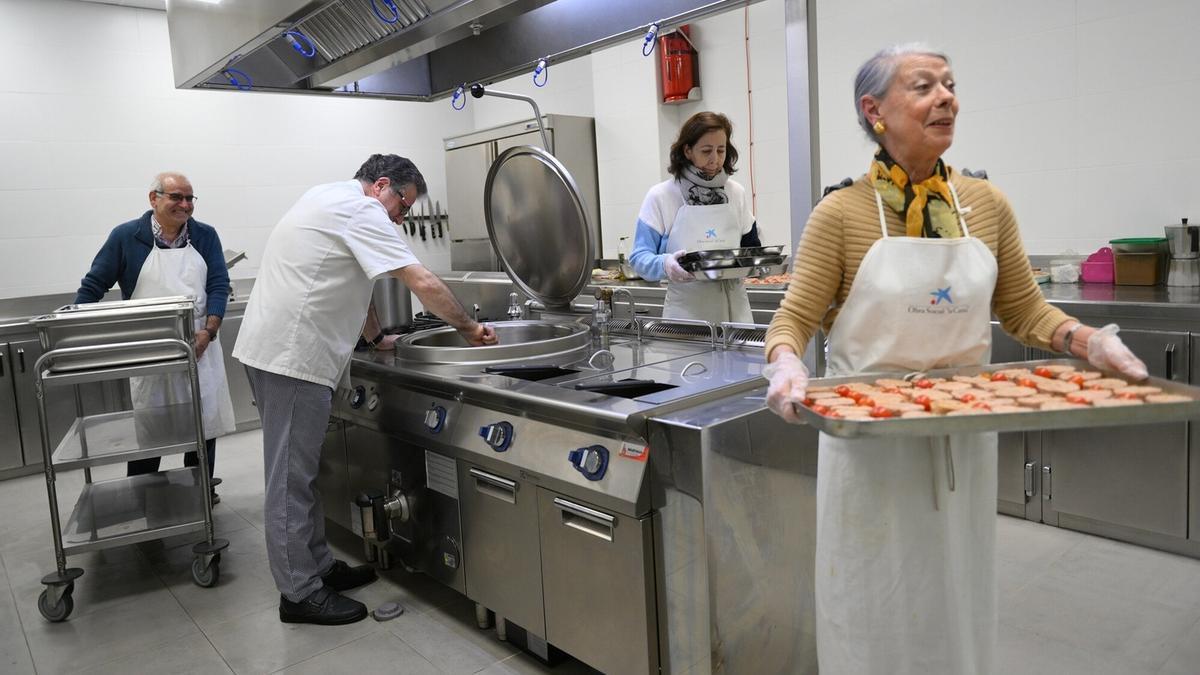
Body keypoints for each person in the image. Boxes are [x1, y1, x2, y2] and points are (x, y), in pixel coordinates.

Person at [762, 44, 1149, 675]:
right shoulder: (841, 214)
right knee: (872, 594)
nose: (946, 97)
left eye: (949, 84)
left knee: (955, 591)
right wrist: (786, 363)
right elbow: (793, 317)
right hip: (872, 443)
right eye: (922, 87)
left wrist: (1089, 341)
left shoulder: (985, 207)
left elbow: (1026, 311)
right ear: (875, 111)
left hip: (961, 434)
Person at [233, 154, 498, 626]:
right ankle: (300, 594)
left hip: (279, 351)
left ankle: (315, 567)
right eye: (404, 204)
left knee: (302, 472)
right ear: (381, 186)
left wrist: (375, 339)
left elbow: (358, 283)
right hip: (293, 360)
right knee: (290, 481)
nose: (403, 217)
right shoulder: (364, 211)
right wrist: (468, 327)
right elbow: (417, 278)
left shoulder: (326, 195)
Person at [75, 172, 235, 503]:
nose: (185, 205)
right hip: (151, 356)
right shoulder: (126, 237)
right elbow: (94, 285)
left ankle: (200, 494)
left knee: (202, 428)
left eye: (190, 198)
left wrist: (209, 331)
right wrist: (75, 324)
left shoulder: (205, 236)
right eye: (177, 197)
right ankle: (143, 498)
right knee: (150, 432)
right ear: (154, 198)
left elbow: (218, 284)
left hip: (199, 348)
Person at [629, 111, 762, 324]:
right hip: (687, 316)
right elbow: (638, 258)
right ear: (688, 150)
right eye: (706, 150)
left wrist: (759, 263)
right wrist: (666, 265)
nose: (715, 159)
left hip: (736, 314)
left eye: (721, 150)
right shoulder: (662, 196)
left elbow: (752, 248)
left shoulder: (736, 192)